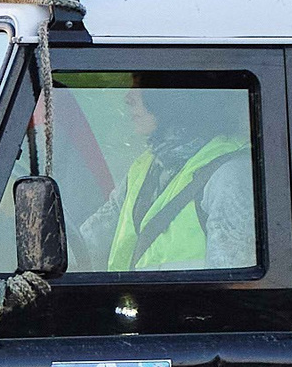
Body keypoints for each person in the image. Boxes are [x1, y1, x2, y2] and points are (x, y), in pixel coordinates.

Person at [76, 87, 253, 271]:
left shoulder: (231, 176)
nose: (128, 97)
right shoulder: (146, 166)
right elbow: (88, 242)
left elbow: (233, 286)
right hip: (130, 299)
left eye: (141, 86)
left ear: (175, 95)